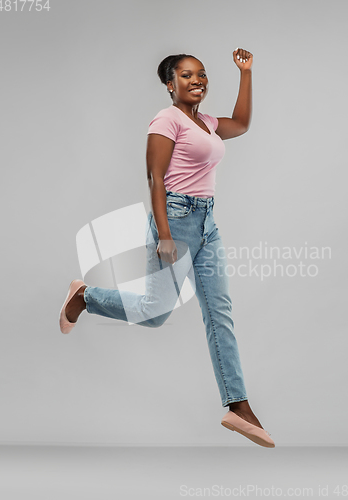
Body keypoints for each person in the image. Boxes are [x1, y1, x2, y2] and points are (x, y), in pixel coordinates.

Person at [59, 48, 275, 448]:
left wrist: (246, 73)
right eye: (187, 75)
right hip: (173, 220)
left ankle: (238, 405)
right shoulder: (167, 119)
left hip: (207, 223)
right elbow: (155, 178)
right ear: (170, 83)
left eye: (202, 75)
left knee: (219, 311)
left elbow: (242, 123)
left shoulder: (208, 124)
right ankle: (85, 296)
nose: (198, 81)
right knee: (154, 312)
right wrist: (164, 234)